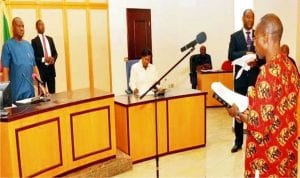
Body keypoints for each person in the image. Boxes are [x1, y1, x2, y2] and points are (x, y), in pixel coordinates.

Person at [227, 13, 299, 177]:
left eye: (255, 38)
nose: (253, 43)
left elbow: (259, 125)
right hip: (287, 151)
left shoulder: (267, 73)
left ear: (266, 37)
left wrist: (237, 113)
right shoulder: (290, 66)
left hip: (268, 157)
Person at [228, 9, 265, 153]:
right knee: (238, 109)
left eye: (252, 17)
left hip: (255, 78)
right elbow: (230, 55)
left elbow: (262, 55)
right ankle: (238, 141)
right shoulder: (235, 36)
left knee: (255, 110)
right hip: (240, 79)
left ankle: (254, 138)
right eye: (248, 17)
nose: (250, 20)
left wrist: (256, 59)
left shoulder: (258, 35)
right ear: (243, 18)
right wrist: (245, 54)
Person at [1, 17, 40, 102]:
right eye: (19, 26)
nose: (22, 29)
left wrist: (42, 86)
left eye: (23, 26)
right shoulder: (7, 46)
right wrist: (6, 98)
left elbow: (34, 67)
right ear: (13, 28)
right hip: (16, 96)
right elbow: (5, 72)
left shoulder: (28, 45)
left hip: (30, 95)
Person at [31, 19, 58, 94]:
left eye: (43, 25)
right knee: (43, 95)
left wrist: (53, 59)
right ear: (36, 27)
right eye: (40, 25)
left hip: (51, 70)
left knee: (53, 94)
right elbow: (34, 58)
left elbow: (55, 53)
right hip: (41, 71)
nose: (42, 26)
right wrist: (44, 59)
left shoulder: (50, 39)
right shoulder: (34, 41)